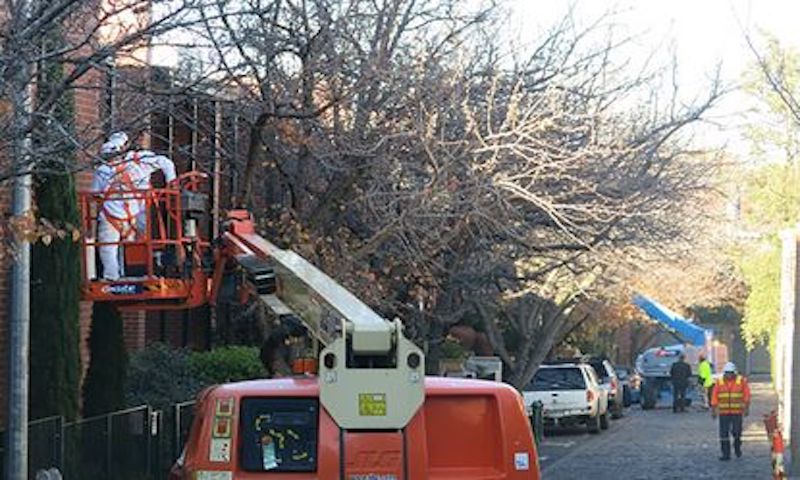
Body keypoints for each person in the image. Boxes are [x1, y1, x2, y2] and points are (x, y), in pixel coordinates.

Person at [92, 131, 176, 280]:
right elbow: (166, 163)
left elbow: (95, 193)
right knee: (118, 247)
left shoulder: (134, 162)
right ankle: (124, 276)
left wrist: (171, 183)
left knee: (110, 248)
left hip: (124, 215)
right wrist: (171, 183)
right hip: (130, 215)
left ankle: (116, 277)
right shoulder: (140, 161)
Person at [711, 362, 751, 461]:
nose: (729, 375)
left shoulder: (741, 381)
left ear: (734, 373)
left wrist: (746, 408)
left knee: (737, 432)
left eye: (730, 373)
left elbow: (746, 395)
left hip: (737, 412)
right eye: (727, 373)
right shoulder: (719, 382)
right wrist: (714, 410)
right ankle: (726, 454)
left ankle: (737, 446)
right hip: (723, 413)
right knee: (724, 434)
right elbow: (714, 396)